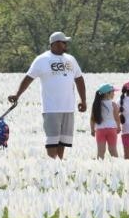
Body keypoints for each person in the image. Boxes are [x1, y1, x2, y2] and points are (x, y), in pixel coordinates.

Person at [8, 31, 87, 159]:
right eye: (63, 42)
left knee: (64, 139)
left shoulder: (71, 59)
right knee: (52, 139)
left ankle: (59, 163)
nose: (66, 45)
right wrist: (17, 94)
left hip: (68, 107)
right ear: (54, 44)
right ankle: (52, 164)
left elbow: (79, 79)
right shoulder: (42, 59)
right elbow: (28, 78)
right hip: (51, 107)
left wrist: (83, 100)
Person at [90, 84, 121, 159]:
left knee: (100, 151)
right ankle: (117, 165)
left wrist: (92, 129)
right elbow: (117, 118)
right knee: (113, 150)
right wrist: (119, 127)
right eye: (113, 92)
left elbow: (92, 119)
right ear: (107, 93)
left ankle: (99, 167)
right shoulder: (113, 104)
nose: (114, 93)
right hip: (112, 129)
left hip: (100, 130)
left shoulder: (96, 105)